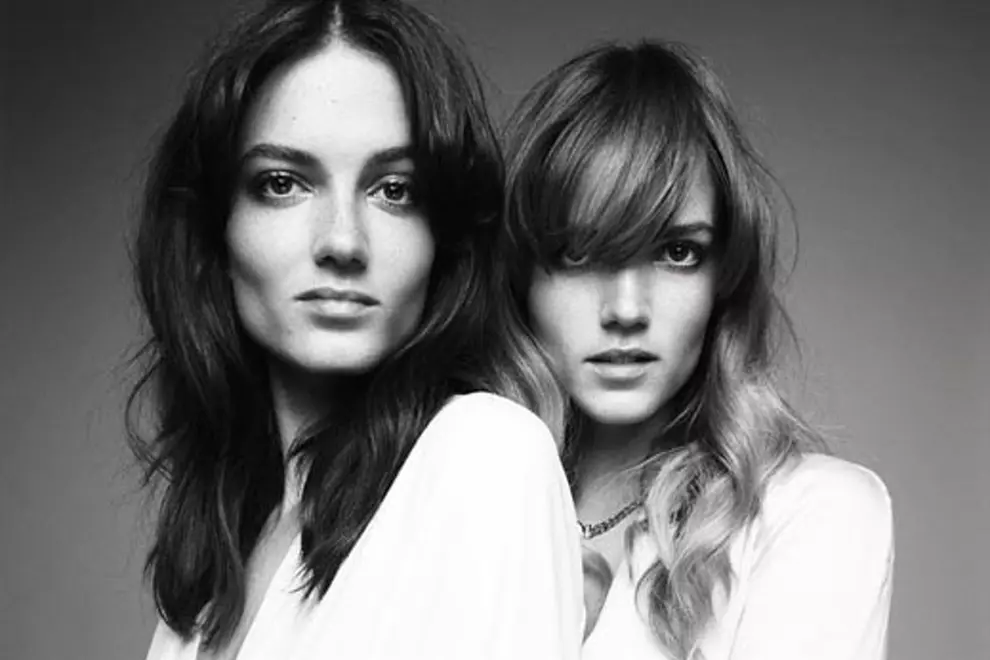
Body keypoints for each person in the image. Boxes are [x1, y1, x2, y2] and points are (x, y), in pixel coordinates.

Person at [127, 1, 584, 658]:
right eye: (282, 184)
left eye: (394, 190)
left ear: (444, 238)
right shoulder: (219, 557)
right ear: (215, 231)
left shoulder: (486, 456)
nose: (343, 241)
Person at [501, 41, 894, 659]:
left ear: (724, 278)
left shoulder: (814, 512)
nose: (626, 309)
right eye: (578, 253)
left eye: (676, 252)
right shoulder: (448, 496)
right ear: (519, 276)